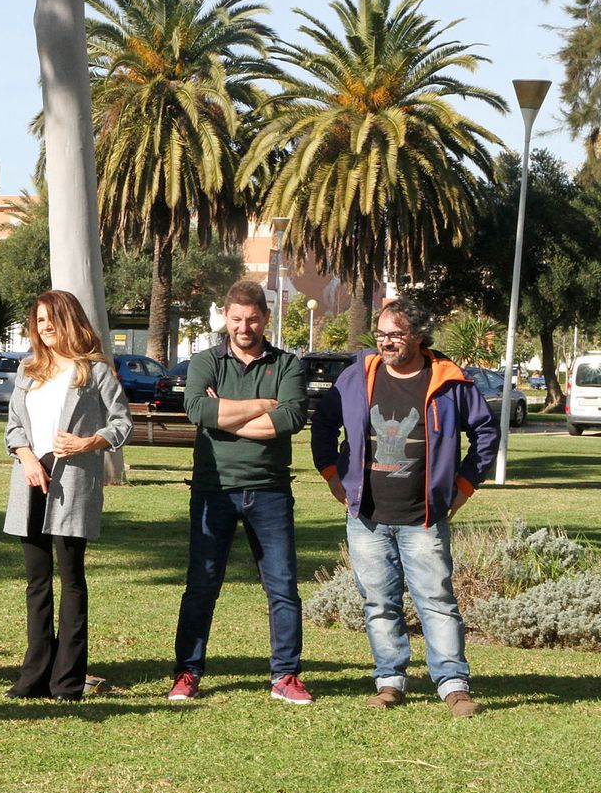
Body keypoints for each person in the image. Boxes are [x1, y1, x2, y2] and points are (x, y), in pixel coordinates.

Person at [310, 297, 497, 717]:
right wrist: (331, 473)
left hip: (424, 516)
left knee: (437, 600)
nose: (386, 342)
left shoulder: (449, 380)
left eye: (395, 334)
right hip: (367, 517)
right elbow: (323, 423)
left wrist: (463, 486)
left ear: (418, 336)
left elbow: (485, 434)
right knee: (378, 602)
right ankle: (390, 680)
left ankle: (453, 685)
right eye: (381, 334)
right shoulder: (357, 375)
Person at [170, 279, 309, 704]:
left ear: (265, 318)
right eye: (236, 319)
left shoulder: (287, 365)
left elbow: (290, 419)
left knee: (282, 586)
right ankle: (187, 671)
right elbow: (197, 409)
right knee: (201, 585)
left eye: (252, 319)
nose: (244, 328)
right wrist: (263, 404)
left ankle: (285, 675)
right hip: (214, 490)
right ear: (225, 319)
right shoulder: (205, 361)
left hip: (270, 491)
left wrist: (225, 415)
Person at [1, 290, 131, 701]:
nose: (45, 327)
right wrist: (26, 457)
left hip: (72, 484)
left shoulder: (94, 371)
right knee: (36, 581)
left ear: (70, 320)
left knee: (71, 579)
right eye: (39, 320)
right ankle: (34, 675)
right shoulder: (27, 369)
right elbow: (13, 427)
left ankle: (67, 680)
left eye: (52, 319)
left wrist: (88, 442)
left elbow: (122, 423)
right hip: (30, 482)